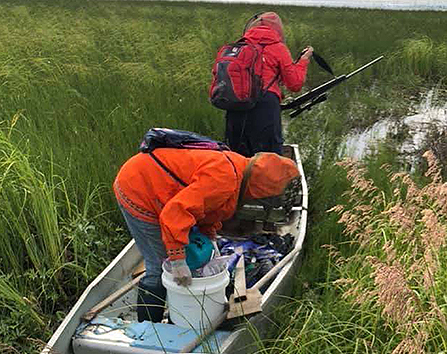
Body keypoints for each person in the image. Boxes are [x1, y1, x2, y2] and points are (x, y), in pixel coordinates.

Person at [113, 146, 300, 322]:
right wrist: (177, 259)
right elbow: (175, 213)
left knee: (176, 256)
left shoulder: (241, 173)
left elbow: (207, 207)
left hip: (164, 190)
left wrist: (210, 234)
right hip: (138, 187)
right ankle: (148, 327)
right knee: (159, 264)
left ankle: (174, 312)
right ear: (261, 191)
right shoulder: (224, 179)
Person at [224, 12, 313, 157]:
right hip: (265, 106)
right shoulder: (278, 48)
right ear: (277, 29)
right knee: (270, 158)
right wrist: (303, 60)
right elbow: (295, 84)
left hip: (236, 105)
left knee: (237, 156)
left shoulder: (239, 46)